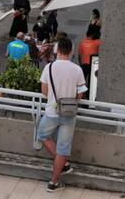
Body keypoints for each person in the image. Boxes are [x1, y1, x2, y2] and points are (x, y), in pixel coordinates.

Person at [37, 38, 88, 192]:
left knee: (42, 135)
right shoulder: (77, 69)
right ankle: (53, 182)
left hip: (52, 111)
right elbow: (81, 93)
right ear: (71, 51)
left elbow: (44, 92)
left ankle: (63, 163)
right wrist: (72, 103)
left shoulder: (49, 67)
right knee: (63, 148)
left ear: (57, 50)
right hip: (69, 113)